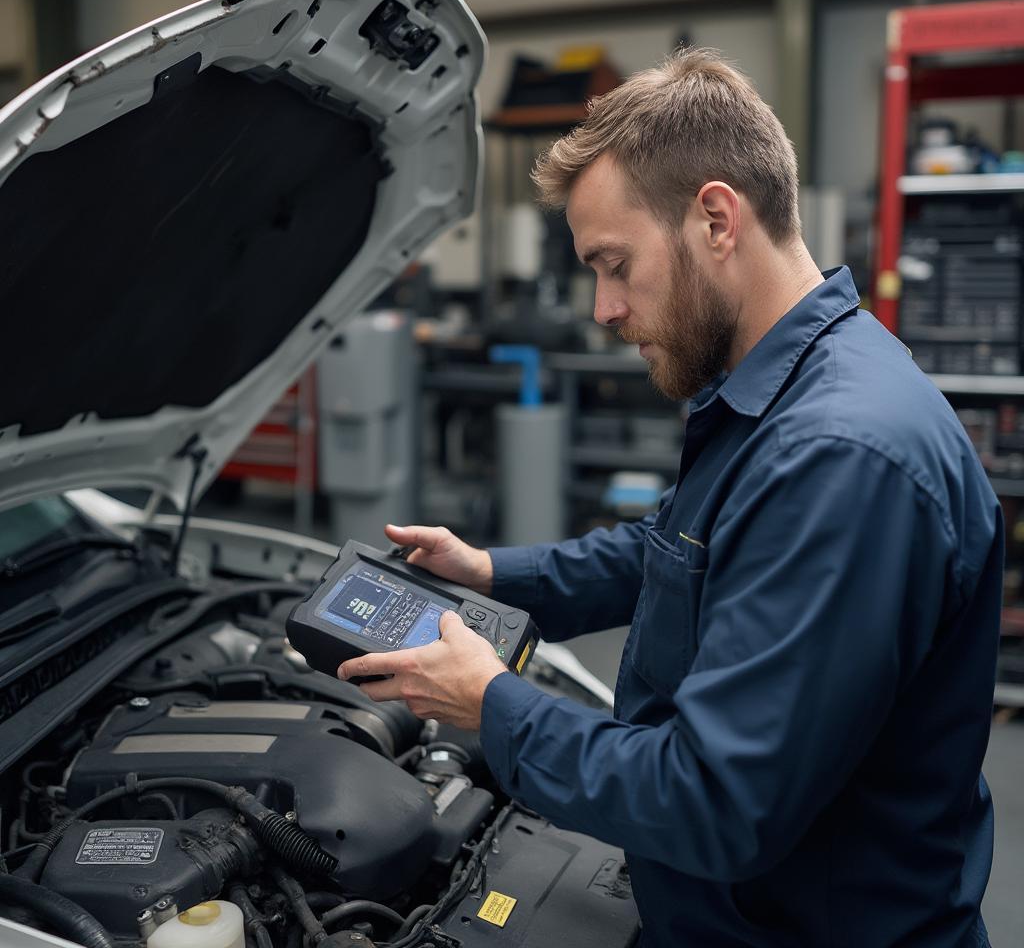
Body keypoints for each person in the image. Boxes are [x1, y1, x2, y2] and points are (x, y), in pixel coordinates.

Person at [338, 47, 1001, 947]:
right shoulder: (788, 388)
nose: (604, 308)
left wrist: (492, 705)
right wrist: (493, 570)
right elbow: (674, 549)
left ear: (716, 219)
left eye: (615, 263)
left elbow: (717, 802)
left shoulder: (841, 456)